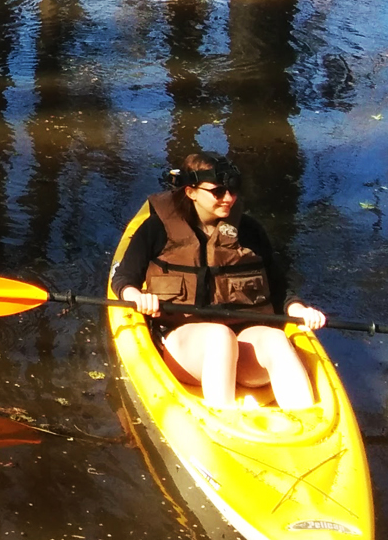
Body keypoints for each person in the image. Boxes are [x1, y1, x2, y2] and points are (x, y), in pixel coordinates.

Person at [112, 152, 327, 408]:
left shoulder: (249, 231)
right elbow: (124, 278)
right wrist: (136, 296)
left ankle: (304, 416)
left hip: (244, 343)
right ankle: (224, 419)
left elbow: (279, 289)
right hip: (185, 346)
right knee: (219, 337)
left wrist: (299, 309)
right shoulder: (156, 229)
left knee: (275, 340)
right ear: (191, 192)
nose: (229, 198)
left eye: (233, 190)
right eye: (218, 191)